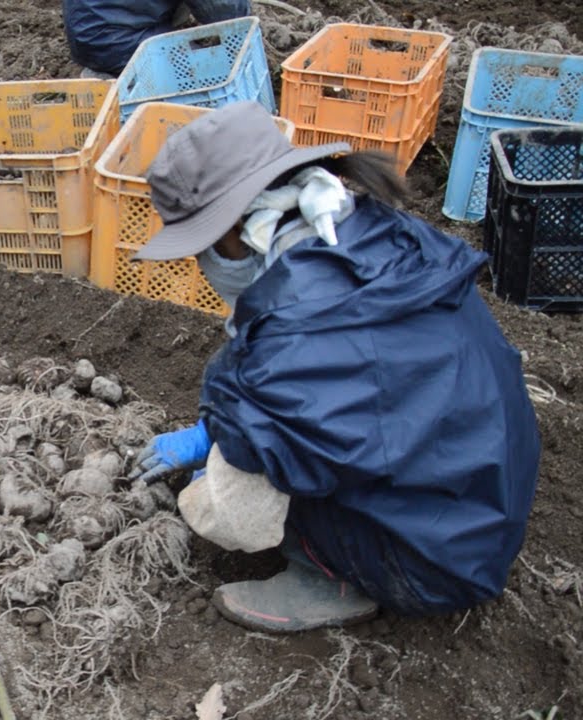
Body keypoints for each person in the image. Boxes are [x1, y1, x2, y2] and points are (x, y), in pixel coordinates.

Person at [127, 101, 541, 632]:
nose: (204, 264)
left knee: (246, 487)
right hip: (482, 497)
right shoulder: (372, 232)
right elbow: (350, 379)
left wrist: (224, 450)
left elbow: (241, 511)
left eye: (203, 248)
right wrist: (220, 427)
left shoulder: (295, 320)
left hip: (431, 563)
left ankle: (336, 577)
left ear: (232, 230)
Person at [62, 0, 253, 78]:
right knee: (214, 71)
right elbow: (227, 15)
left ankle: (106, 75)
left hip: (87, 34)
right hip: (120, 40)